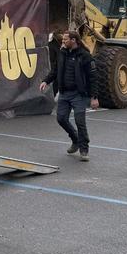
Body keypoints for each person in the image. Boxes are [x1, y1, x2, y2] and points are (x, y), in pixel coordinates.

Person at [39, 30, 98, 161]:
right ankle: (75, 139)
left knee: (80, 121)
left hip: (79, 94)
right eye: (63, 39)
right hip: (64, 94)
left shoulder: (85, 56)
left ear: (73, 40)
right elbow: (55, 71)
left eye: (65, 39)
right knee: (61, 118)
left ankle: (84, 149)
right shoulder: (62, 53)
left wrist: (94, 97)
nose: (63, 41)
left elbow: (93, 77)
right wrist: (46, 81)